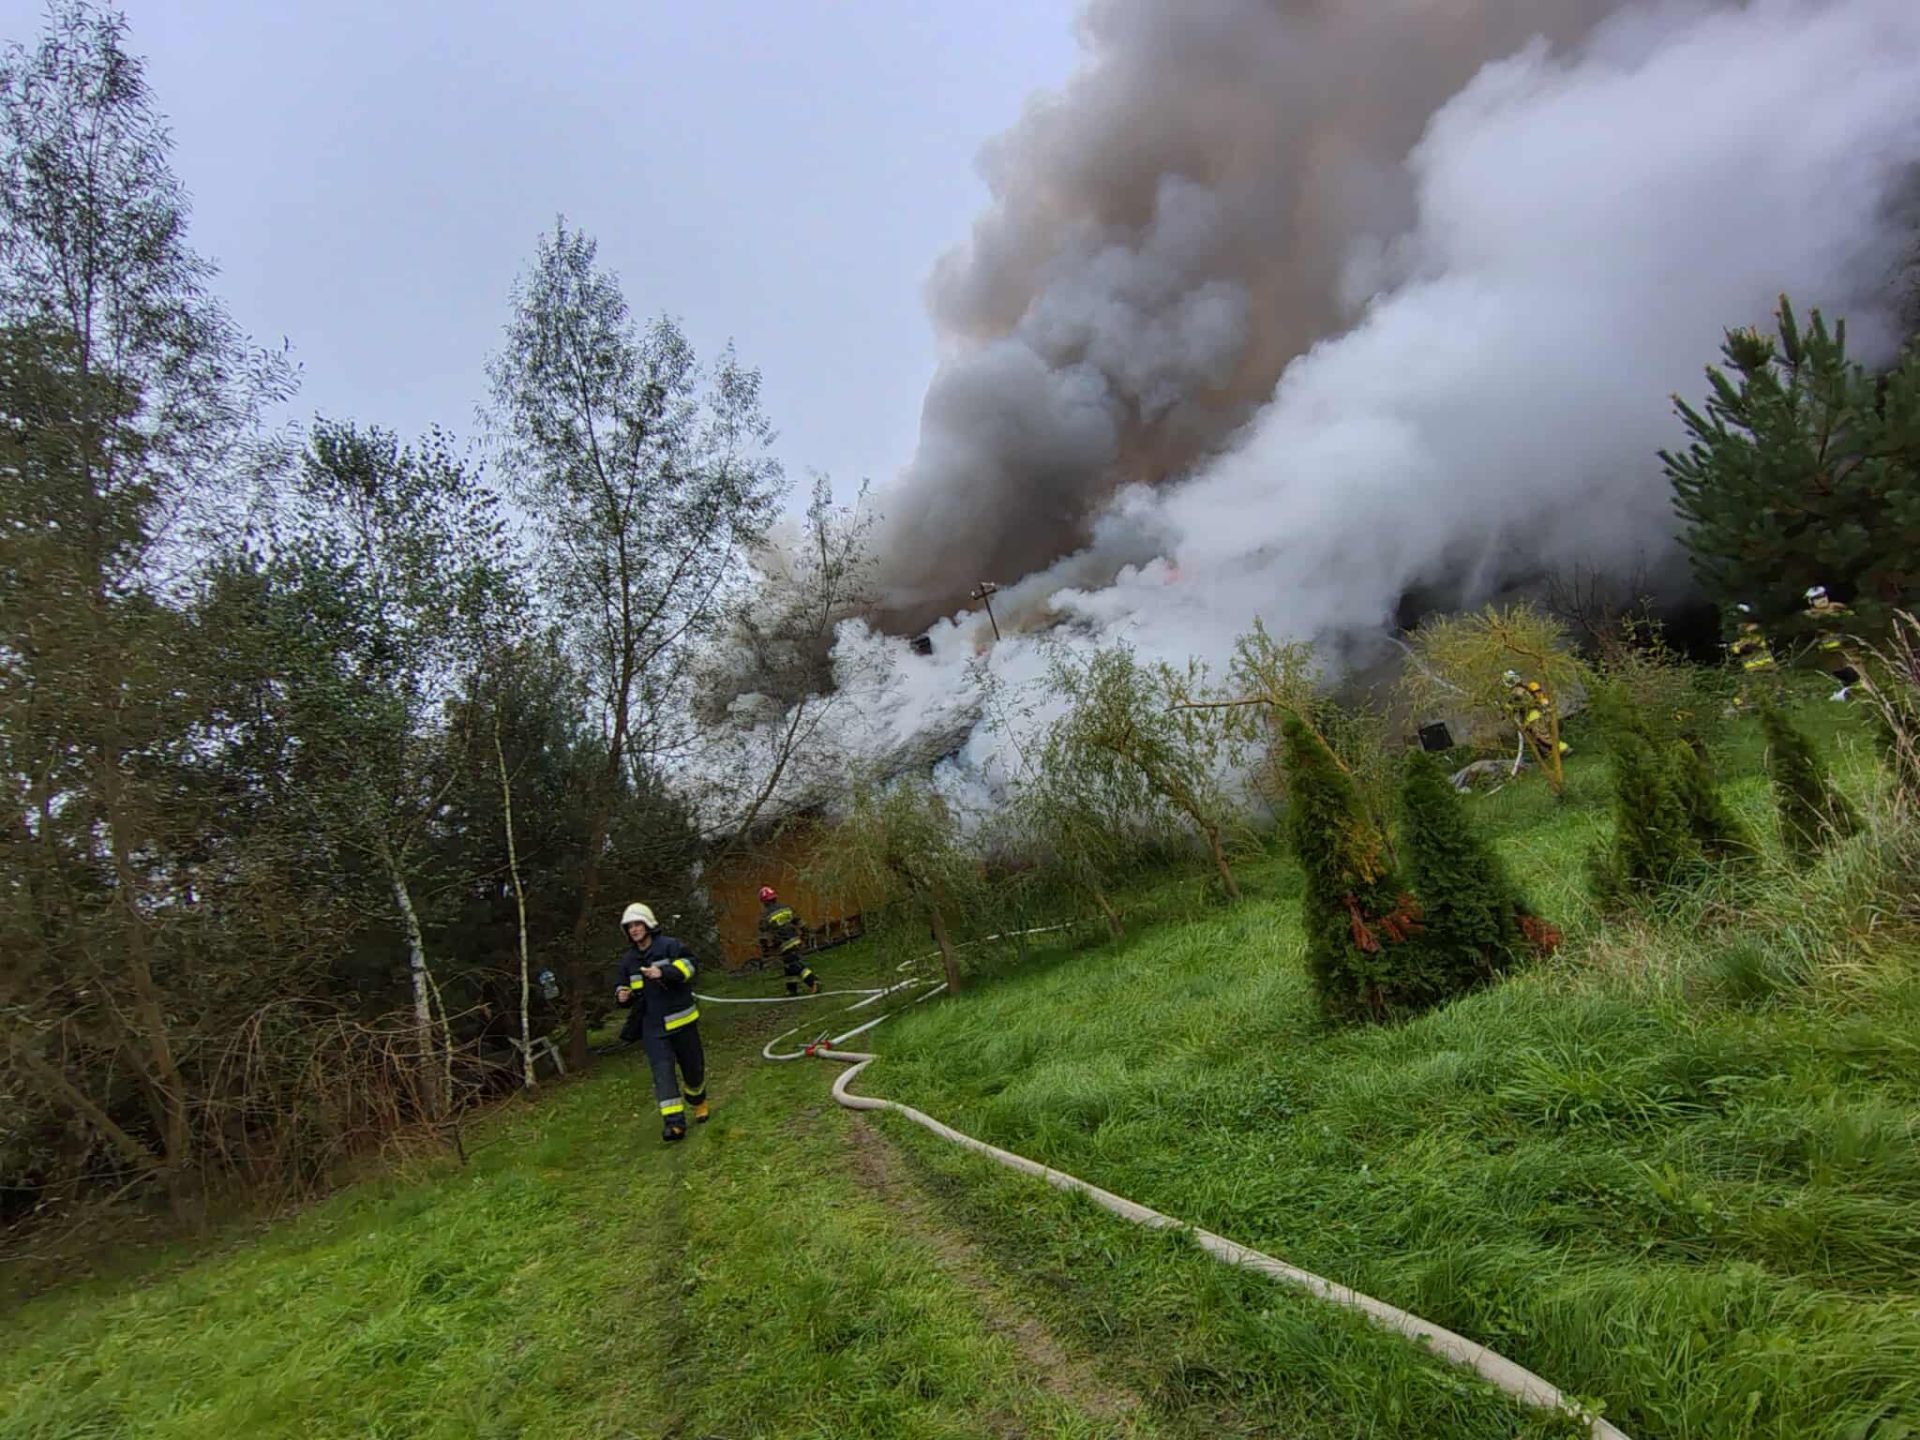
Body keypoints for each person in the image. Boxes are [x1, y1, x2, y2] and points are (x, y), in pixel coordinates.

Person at [614, 902, 708, 1142]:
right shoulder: (629, 961)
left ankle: (698, 1101)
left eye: (637, 924)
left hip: (682, 1021)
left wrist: (663, 973)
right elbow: (624, 987)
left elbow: (691, 966)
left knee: (693, 1069)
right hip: (653, 1028)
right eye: (629, 926)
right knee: (663, 1074)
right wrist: (621, 996)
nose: (634, 930)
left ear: (648, 924)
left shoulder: (670, 946)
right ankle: (674, 1124)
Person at [1802, 585, 1865, 700]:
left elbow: (1853, 620)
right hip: (1829, 651)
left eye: (1823, 596)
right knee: (1838, 672)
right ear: (1811, 601)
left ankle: (1862, 688)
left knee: (1856, 667)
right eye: (1817, 598)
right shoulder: (1810, 615)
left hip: (1846, 646)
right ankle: (1845, 691)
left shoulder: (1838, 608)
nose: (1822, 599)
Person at [758, 886, 819, 995]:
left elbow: (764, 934)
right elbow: (799, 921)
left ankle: (813, 981)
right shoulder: (786, 908)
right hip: (796, 939)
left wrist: (765, 949)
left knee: (793, 965)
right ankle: (792, 990)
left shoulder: (766, 916)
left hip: (784, 943)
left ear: (764, 902)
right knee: (788, 966)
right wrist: (806, 933)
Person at [1726, 603, 1776, 712]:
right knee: (1747, 691)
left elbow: (1758, 641)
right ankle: (1738, 708)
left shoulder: (1758, 633)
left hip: (1768, 669)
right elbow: (1736, 650)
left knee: (1773, 690)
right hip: (1753, 672)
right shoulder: (1738, 637)